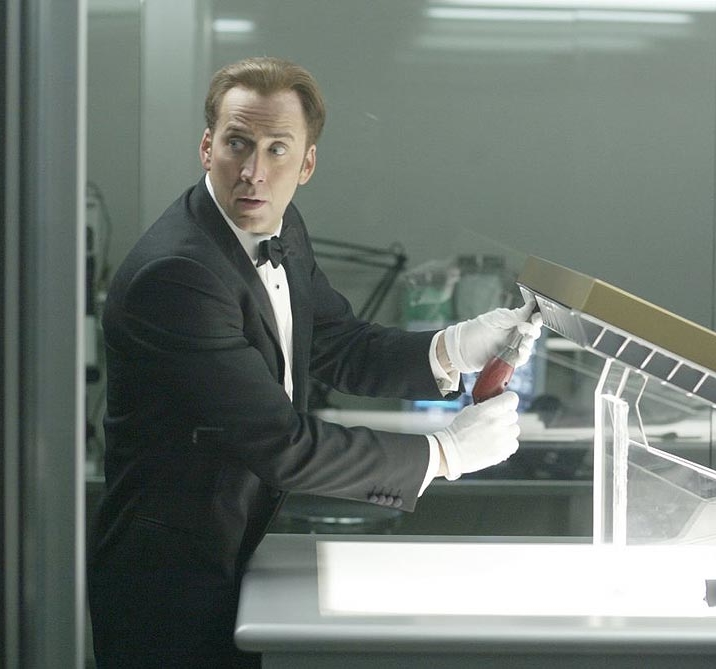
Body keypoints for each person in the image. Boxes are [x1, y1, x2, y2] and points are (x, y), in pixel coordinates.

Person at [87, 56, 542, 668]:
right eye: (237, 144)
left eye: (277, 150)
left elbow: (337, 342)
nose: (253, 172)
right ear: (206, 147)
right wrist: (445, 454)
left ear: (306, 165)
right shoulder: (178, 275)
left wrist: (454, 346)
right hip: (165, 579)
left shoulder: (280, 225)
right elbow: (281, 443)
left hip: (233, 545)